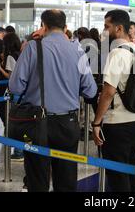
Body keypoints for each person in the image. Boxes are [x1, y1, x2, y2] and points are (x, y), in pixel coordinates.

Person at [9, 10, 97, 192]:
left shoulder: (33, 48)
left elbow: (16, 87)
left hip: (36, 123)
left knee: (37, 176)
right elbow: (90, 91)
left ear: (43, 26)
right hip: (68, 123)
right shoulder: (78, 50)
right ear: (65, 27)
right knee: (66, 177)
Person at [92, 10, 135, 192]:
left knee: (117, 176)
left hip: (117, 123)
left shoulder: (117, 54)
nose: (104, 31)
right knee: (131, 170)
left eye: (107, 27)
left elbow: (108, 92)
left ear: (119, 28)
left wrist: (96, 122)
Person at [0, 32, 23, 160]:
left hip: (15, 94)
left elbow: (10, 77)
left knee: (13, 122)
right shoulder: (21, 54)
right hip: (23, 93)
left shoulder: (10, 57)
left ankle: (18, 152)